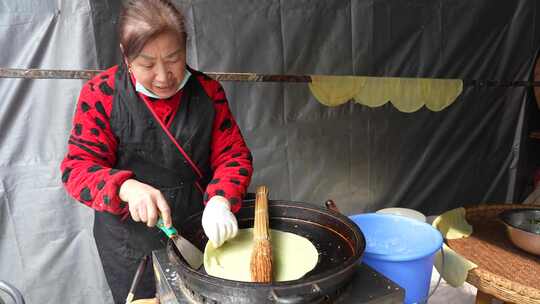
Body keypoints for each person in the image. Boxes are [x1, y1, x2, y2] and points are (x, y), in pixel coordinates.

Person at [60, 0, 253, 302]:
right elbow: (77, 168)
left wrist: (221, 199)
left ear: (186, 48)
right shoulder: (101, 94)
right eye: (147, 64)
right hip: (128, 240)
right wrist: (125, 187)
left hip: (197, 227)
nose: (163, 76)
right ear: (126, 55)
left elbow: (233, 155)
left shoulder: (208, 92)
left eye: (174, 59)